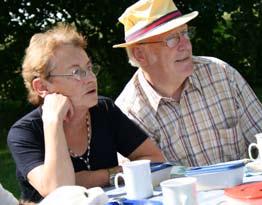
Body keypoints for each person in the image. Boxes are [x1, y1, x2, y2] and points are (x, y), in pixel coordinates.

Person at [7, 24, 164, 203]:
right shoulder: (24, 132)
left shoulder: (104, 110)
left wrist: (95, 177)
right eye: (76, 72)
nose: (91, 78)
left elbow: (154, 159)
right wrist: (53, 122)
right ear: (42, 87)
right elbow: (61, 193)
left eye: (89, 68)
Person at [114, 0, 262, 167]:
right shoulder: (128, 114)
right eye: (172, 39)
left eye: (185, 33)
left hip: (246, 190)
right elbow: (143, 184)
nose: (186, 44)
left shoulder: (221, 74)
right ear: (140, 54)